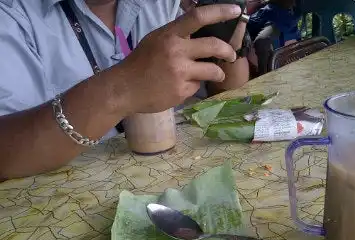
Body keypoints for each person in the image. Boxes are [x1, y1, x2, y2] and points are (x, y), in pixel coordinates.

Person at [0, 0, 250, 181]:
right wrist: (121, 89)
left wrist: (230, 45)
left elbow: (230, 91)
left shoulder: (164, 5)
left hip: (175, 173)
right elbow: (7, 153)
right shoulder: (12, 14)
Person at [247, 0, 302, 75]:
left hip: (269, 67)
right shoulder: (292, 15)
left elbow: (250, 24)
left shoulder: (267, 12)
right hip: (292, 62)